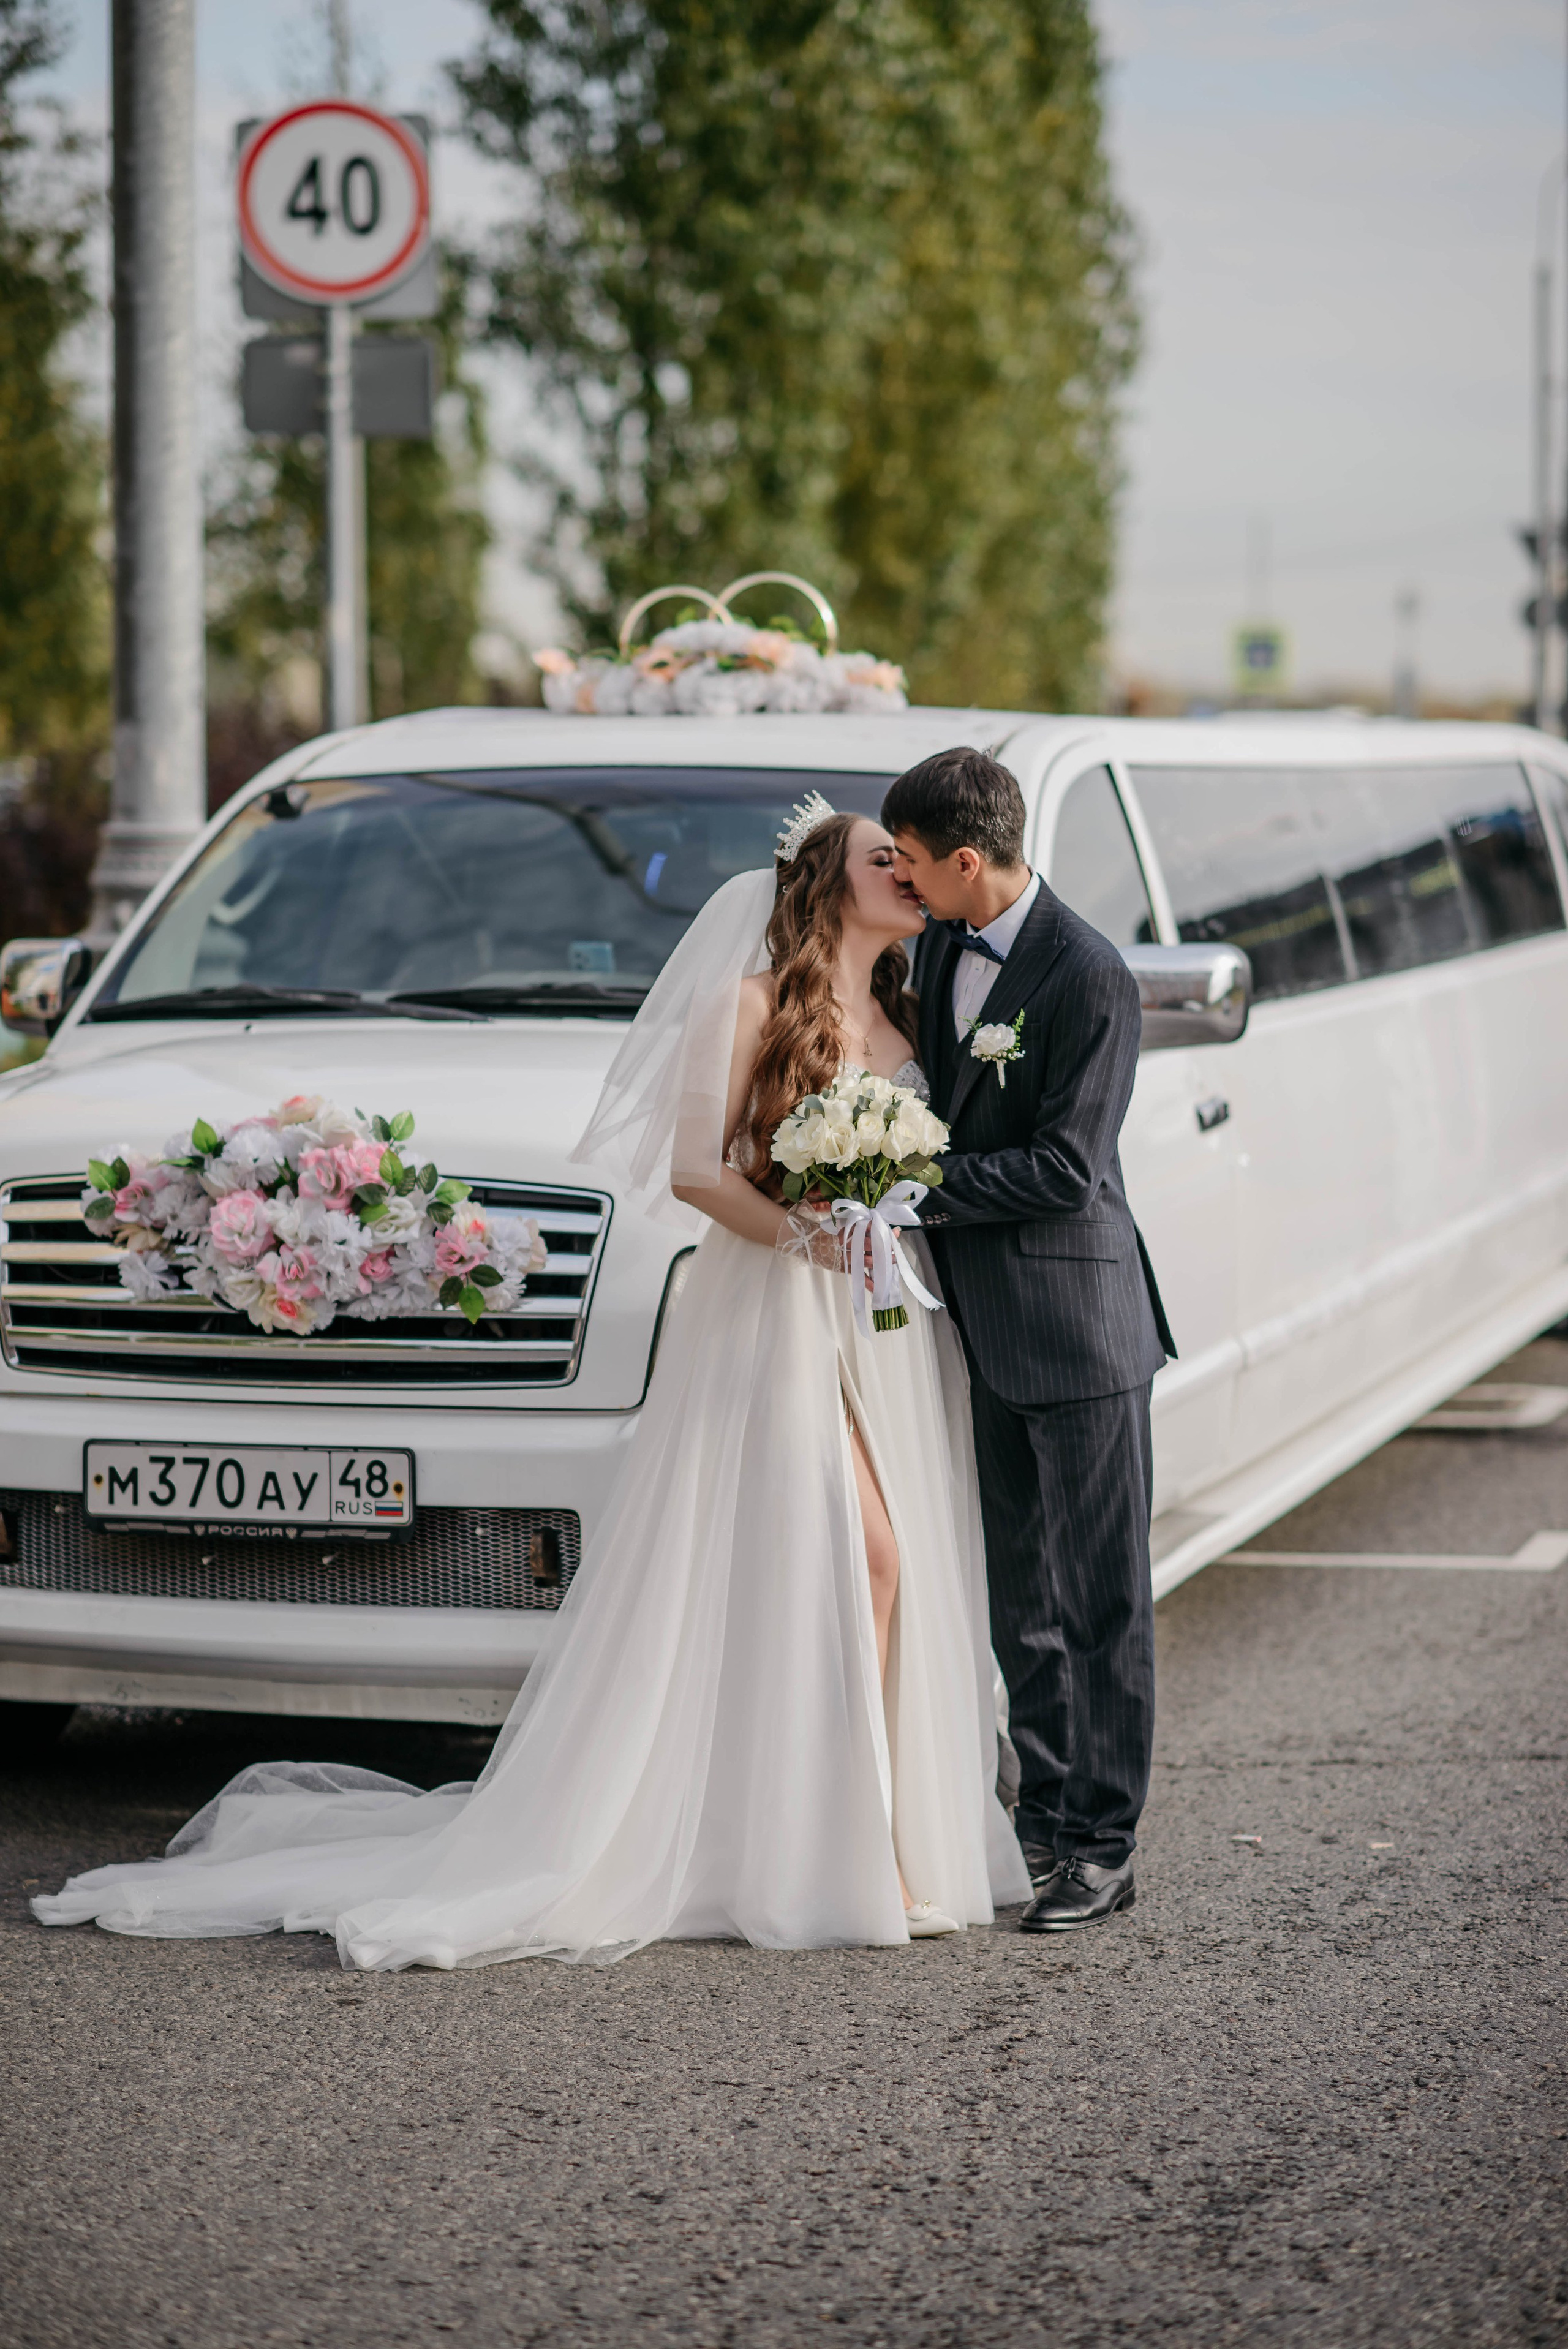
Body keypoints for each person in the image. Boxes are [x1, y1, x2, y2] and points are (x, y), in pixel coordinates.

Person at [33, 805, 1028, 1967]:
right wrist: (813, 1235)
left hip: (883, 1319)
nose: (906, 874)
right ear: (824, 878)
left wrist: (880, 1222)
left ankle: (864, 1832)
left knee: (868, 1561)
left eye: (911, 861)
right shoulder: (749, 1005)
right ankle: (850, 1852)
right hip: (778, 1307)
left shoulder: (912, 1011)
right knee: (866, 1555)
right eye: (882, 859)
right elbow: (698, 1173)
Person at [882, 747, 1174, 1932]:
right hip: (981, 1334)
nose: (900, 882)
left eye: (908, 862)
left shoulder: (1090, 976)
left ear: (965, 859)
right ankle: (1044, 1820)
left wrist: (914, 1182)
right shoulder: (945, 944)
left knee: (1101, 1601)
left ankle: (1105, 1845)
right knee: (1022, 1601)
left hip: (1079, 1328)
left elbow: (1065, 1166)